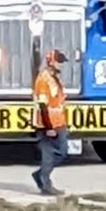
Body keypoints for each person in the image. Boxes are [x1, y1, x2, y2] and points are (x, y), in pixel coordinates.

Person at [31, 48, 71, 196]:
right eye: (59, 61)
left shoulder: (55, 78)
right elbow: (42, 105)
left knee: (63, 152)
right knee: (49, 154)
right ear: (51, 62)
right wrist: (48, 127)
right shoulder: (43, 79)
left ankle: (40, 175)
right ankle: (45, 182)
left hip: (59, 122)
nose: (62, 65)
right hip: (47, 125)